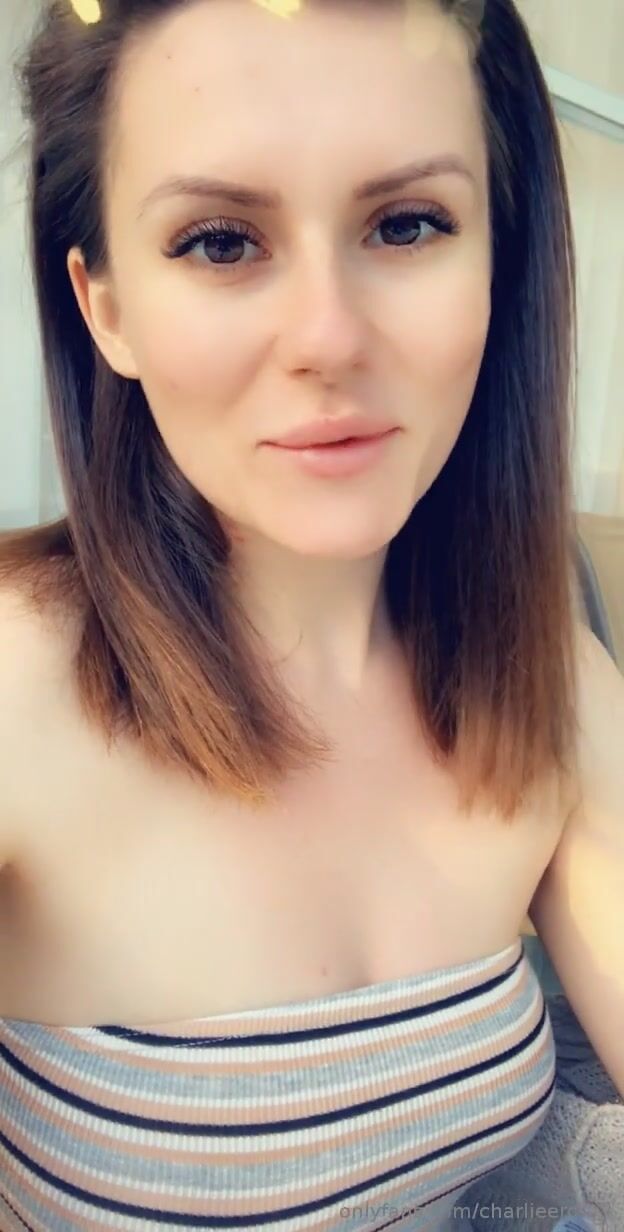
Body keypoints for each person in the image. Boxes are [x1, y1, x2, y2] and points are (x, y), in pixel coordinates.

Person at [0, 0, 622, 1228]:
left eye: (407, 223)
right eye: (221, 241)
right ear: (104, 305)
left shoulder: (533, 645)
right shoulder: (18, 687)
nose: (330, 337)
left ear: (500, 259)